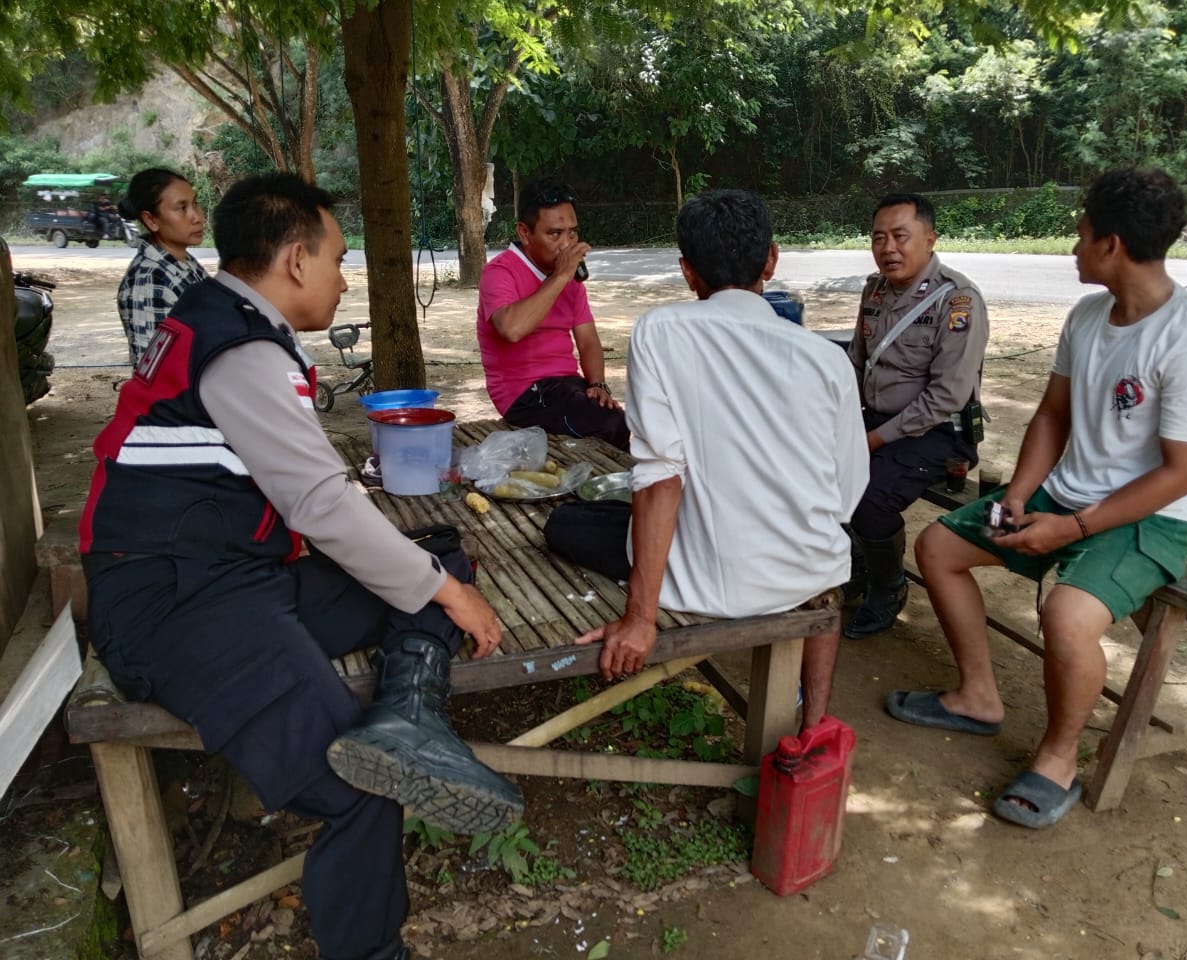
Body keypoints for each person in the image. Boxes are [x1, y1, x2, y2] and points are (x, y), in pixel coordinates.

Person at [80, 173, 522, 960]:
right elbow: (320, 505)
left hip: (235, 571)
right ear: (293, 261)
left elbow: (310, 497)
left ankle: (407, 722)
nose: (345, 277)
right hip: (177, 603)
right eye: (339, 259)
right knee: (362, 788)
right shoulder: (241, 346)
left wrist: (439, 581)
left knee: (436, 556)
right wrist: (451, 594)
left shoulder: (219, 317)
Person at [895, 167, 1187, 829]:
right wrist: (1023, 496)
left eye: (1080, 235)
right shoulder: (1088, 316)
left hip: (1153, 518)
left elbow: (1183, 474)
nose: (1072, 248)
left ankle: (1057, 759)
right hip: (1067, 494)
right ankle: (977, 696)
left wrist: (1072, 528)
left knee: (1067, 618)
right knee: (938, 547)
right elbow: (1052, 415)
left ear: (1111, 245)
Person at [543, 189, 868, 728]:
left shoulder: (661, 331)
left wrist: (639, 618)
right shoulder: (826, 361)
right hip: (809, 570)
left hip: (711, 582)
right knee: (820, 560)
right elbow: (849, 490)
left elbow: (660, 476)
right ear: (771, 260)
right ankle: (814, 727)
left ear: (687, 271)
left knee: (567, 522)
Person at [844, 193, 989, 638]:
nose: (888, 248)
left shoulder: (957, 300)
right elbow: (856, 361)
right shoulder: (874, 290)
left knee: (870, 496)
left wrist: (873, 439)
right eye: (878, 238)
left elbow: (947, 396)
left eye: (900, 236)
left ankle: (890, 586)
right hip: (878, 421)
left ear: (929, 239)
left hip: (939, 432)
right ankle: (860, 565)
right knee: (818, 471)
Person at [476, 177, 629, 450]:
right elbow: (511, 329)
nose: (567, 243)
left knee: (631, 421)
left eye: (572, 233)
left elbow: (588, 340)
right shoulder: (500, 272)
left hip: (566, 385)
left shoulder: (569, 277)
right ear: (524, 233)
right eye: (555, 234)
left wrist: (598, 385)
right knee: (612, 425)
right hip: (523, 393)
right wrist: (559, 277)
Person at [116, 168, 208, 367]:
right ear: (151, 220)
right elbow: (155, 373)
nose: (197, 217)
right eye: (181, 208)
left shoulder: (186, 264)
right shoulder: (149, 281)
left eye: (195, 204)